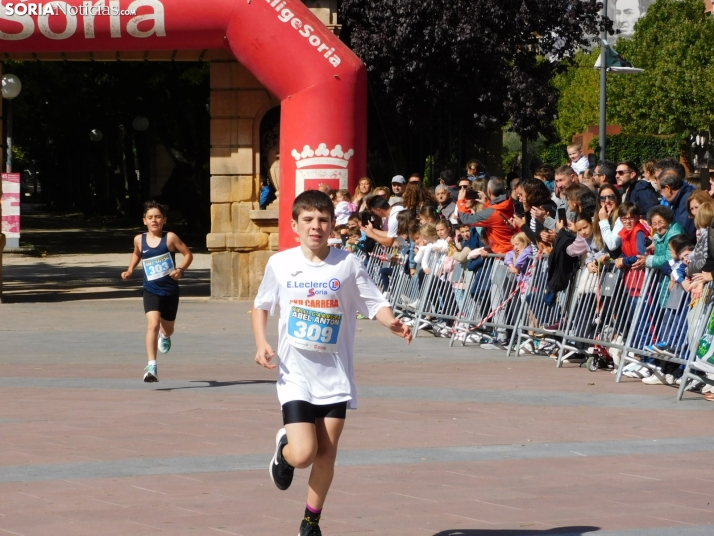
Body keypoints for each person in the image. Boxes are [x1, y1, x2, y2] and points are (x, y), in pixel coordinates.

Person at [252, 190, 412, 536]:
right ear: (295, 225)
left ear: (332, 224)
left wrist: (392, 322)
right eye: (308, 220)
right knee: (304, 452)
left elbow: (373, 300)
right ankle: (284, 452)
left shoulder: (347, 263)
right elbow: (262, 304)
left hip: (334, 376)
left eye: (323, 220)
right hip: (296, 375)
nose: (316, 226)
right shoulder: (281, 263)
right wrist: (262, 341)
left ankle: (311, 521)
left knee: (326, 454)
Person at [121, 201, 193, 383]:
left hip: (170, 291)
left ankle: (165, 335)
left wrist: (181, 270)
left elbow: (188, 254)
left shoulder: (170, 238)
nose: (154, 221)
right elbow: (137, 253)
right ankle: (151, 366)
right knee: (152, 324)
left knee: (168, 328)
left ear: (164, 220)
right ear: (144, 220)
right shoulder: (139, 239)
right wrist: (130, 270)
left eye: (158, 217)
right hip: (150, 290)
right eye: (150, 217)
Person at [460, 178, 516, 254]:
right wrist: (487, 203)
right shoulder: (510, 203)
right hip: (512, 249)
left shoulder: (491, 212)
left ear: (489, 191)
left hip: (503, 254)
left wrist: (460, 201)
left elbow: (466, 220)